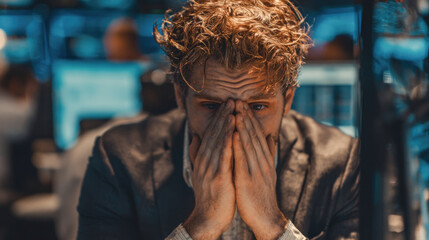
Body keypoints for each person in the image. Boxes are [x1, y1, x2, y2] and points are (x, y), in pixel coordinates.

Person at [77, 0, 360, 239]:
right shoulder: (118, 160)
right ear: (179, 97)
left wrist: (272, 224)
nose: (234, 126)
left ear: (287, 101)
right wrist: (202, 224)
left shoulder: (343, 163)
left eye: (258, 106)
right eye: (212, 106)